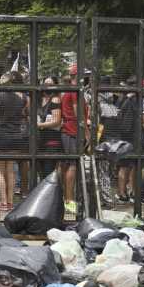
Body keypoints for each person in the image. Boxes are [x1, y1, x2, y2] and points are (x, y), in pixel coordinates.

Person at [0, 71, 28, 212]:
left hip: (1, 137)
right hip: (15, 137)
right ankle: (11, 202)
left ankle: (3, 202)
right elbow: (24, 114)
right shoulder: (21, 98)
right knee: (10, 170)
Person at [59, 71, 86, 214]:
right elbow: (78, 113)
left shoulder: (73, 91)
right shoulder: (74, 91)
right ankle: (69, 200)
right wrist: (87, 132)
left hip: (72, 130)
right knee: (72, 165)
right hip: (72, 130)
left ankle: (67, 198)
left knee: (69, 165)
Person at [37, 76, 63, 178]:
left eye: (50, 84)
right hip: (39, 142)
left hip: (51, 142)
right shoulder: (39, 99)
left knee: (49, 172)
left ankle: (53, 194)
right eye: (45, 83)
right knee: (41, 172)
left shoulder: (55, 100)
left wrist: (40, 125)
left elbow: (57, 121)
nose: (47, 86)